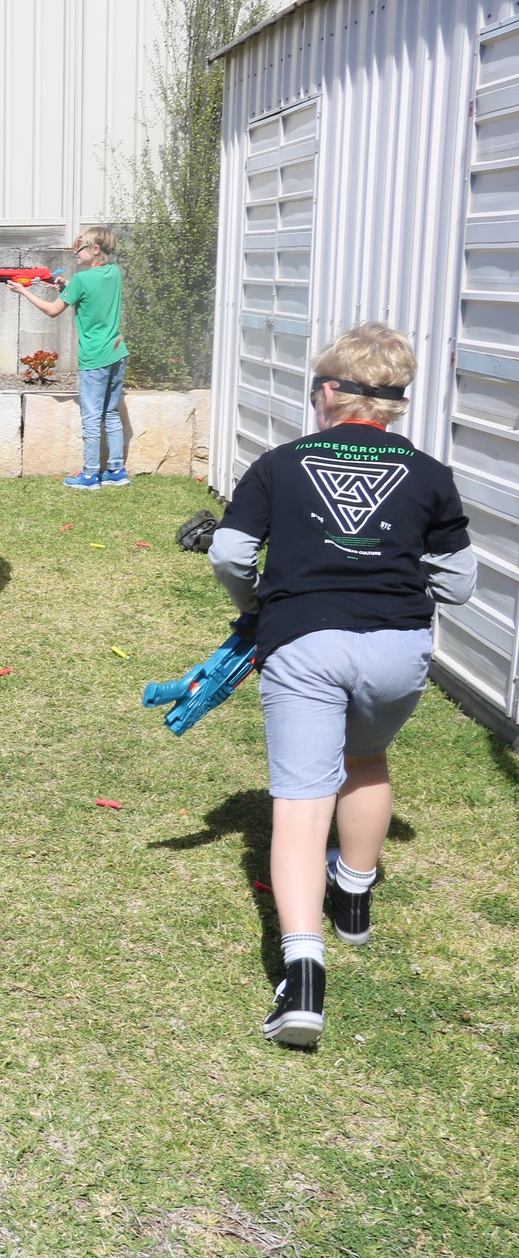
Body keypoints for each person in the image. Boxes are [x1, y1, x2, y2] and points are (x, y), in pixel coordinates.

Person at [208, 322, 474, 1049]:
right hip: (396, 648)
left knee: (300, 804)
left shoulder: (281, 463)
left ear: (327, 391)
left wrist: (256, 602)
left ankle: (302, 980)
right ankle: (353, 897)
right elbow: (460, 582)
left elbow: (230, 553)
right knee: (366, 760)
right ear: (395, 405)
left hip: (303, 640)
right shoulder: (429, 472)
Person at [6, 226, 131, 489]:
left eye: (80, 246)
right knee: (110, 413)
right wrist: (65, 287)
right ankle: (117, 471)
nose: (76, 251)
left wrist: (23, 291)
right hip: (117, 352)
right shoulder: (114, 273)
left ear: (95, 250)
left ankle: (89, 475)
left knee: (91, 416)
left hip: (95, 357)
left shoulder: (81, 281)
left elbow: (53, 311)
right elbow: (91, 296)